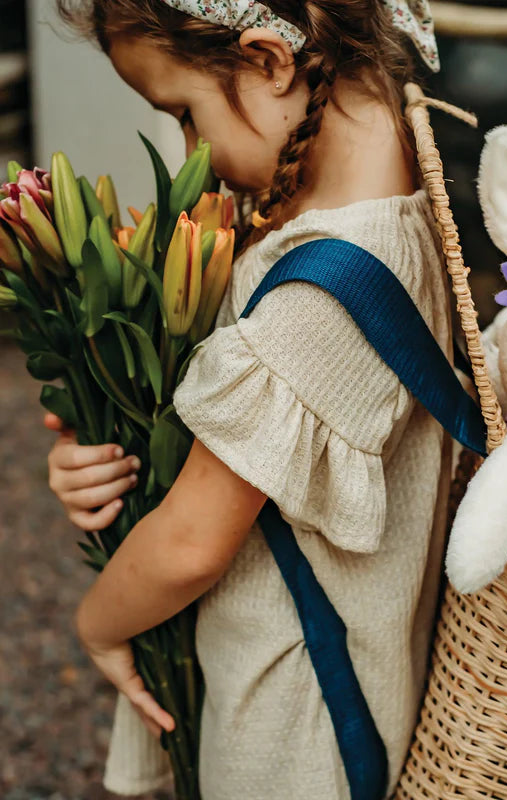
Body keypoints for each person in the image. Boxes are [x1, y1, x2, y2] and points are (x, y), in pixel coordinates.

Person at [45, 1, 451, 797]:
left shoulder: (319, 294)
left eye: (185, 116)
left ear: (269, 60)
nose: (193, 155)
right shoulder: (373, 185)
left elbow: (193, 542)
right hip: (305, 682)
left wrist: (95, 624)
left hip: (296, 719)